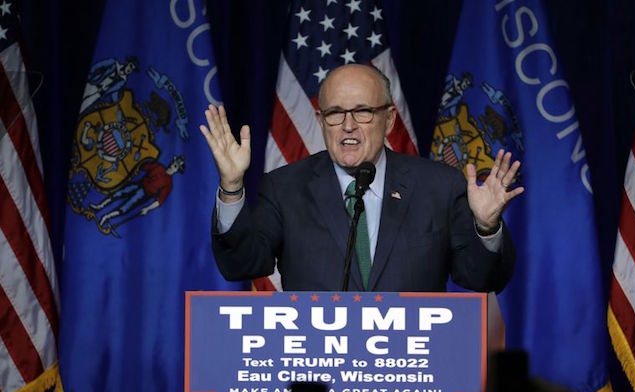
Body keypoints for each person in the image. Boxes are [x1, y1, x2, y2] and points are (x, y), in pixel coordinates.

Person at [200, 64, 524, 292]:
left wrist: (486, 228)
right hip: (319, 372)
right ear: (320, 119)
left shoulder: (439, 187)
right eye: (335, 112)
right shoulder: (285, 188)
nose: (348, 125)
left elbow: (482, 279)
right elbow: (241, 265)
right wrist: (231, 187)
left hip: (412, 371)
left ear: (389, 119)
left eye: (363, 111)